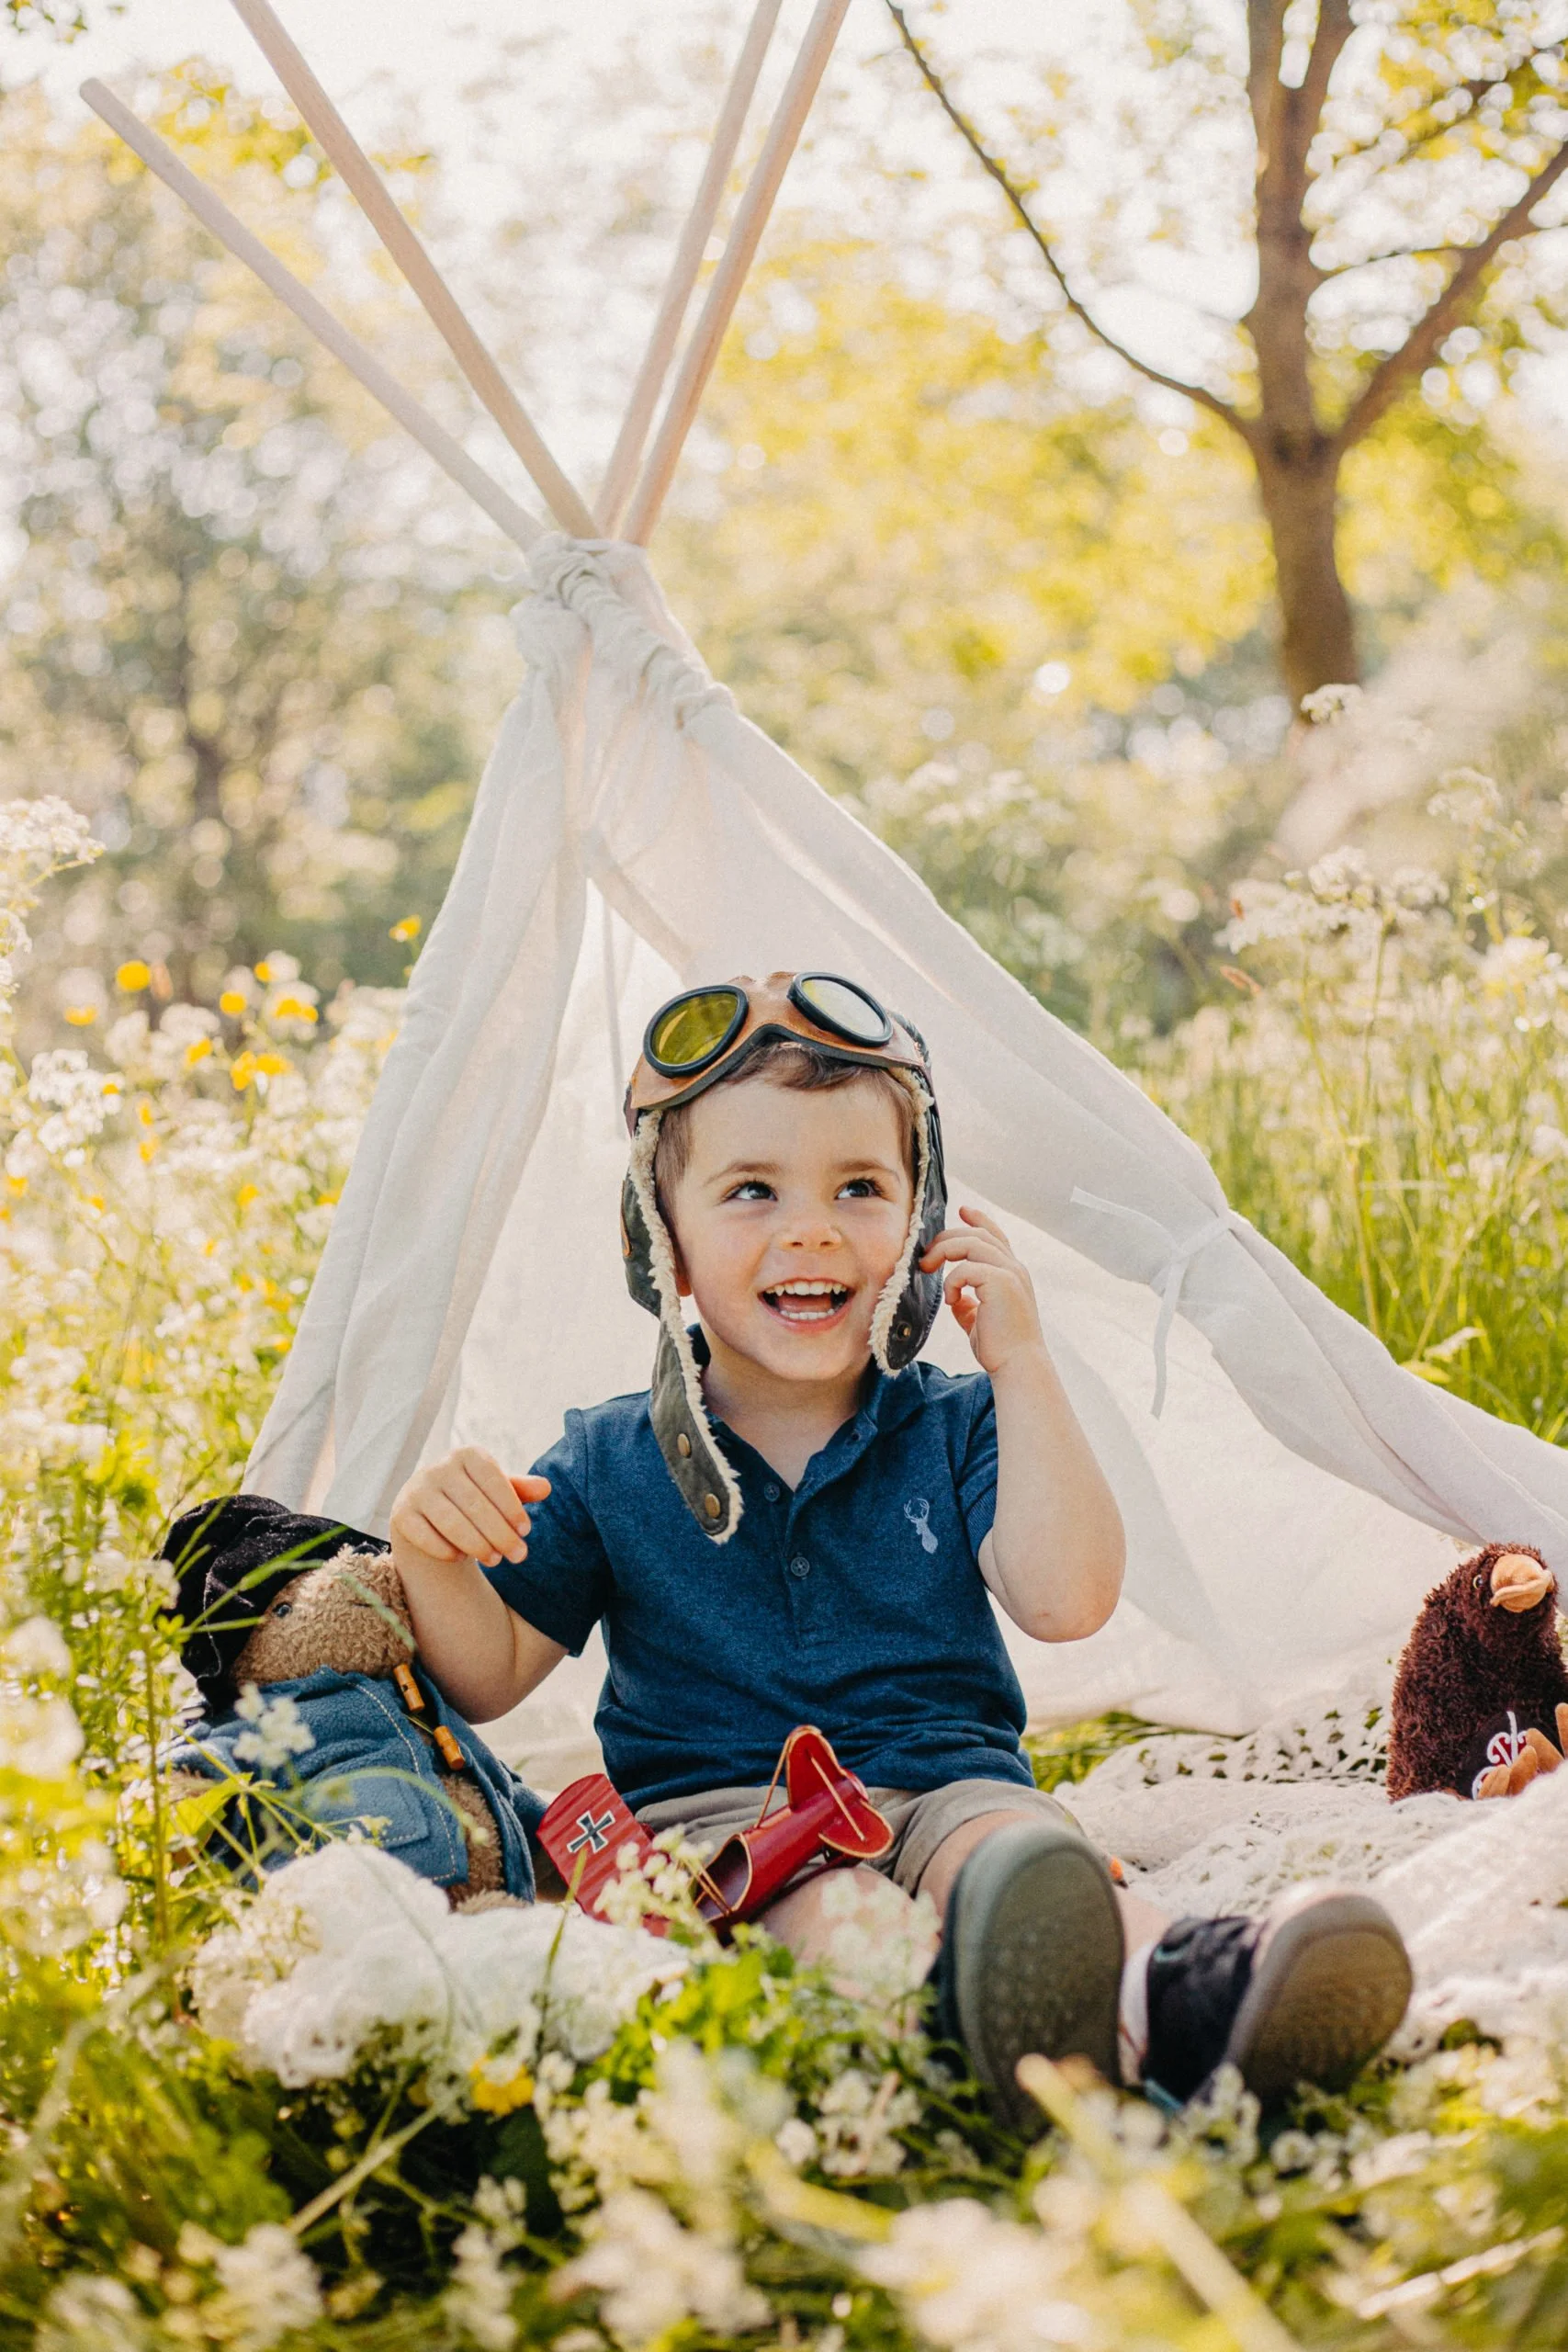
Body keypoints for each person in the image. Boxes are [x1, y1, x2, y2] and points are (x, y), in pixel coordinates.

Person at [389, 970, 1411, 2125]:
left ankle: (1187, 1993)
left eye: (860, 1186)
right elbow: (484, 1674)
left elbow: (1069, 1598)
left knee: (1023, 1858)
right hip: (726, 1825)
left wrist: (1022, 1363)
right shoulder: (607, 1460)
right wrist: (432, 1547)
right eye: (752, 1190)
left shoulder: (960, 1419)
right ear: (662, 1247)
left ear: (923, 1227)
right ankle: (977, 2029)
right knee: (829, 1919)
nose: (811, 1227)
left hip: (946, 1783)